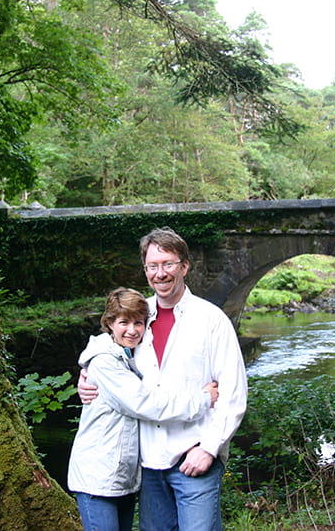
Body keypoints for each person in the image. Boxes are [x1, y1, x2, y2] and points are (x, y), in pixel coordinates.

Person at [79, 227, 248, 531]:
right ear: (145, 270)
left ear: (184, 266)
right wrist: (87, 372)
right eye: (153, 266)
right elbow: (107, 345)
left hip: (194, 458)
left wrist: (209, 448)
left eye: (168, 264)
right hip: (149, 463)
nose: (161, 273)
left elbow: (233, 392)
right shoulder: (138, 316)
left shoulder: (211, 320)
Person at [68, 287, 220, 531]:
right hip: (97, 479)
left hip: (122, 480)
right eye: (123, 322)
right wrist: (202, 399)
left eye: (139, 323)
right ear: (109, 323)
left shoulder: (127, 355)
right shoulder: (105, 361)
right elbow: (147, 403)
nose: (132, 330)